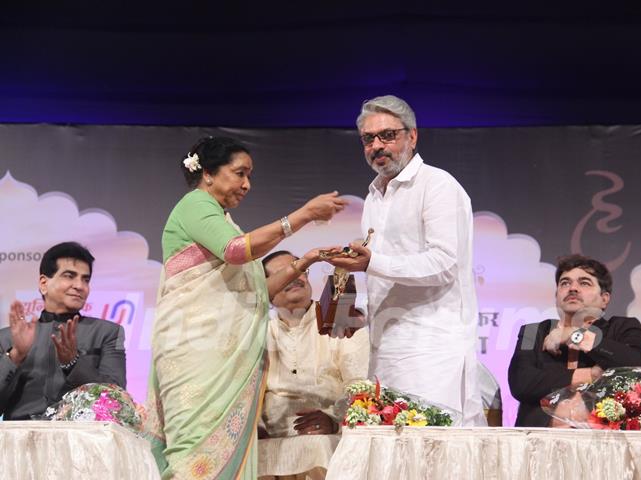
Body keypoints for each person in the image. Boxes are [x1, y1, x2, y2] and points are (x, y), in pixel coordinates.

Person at [145, 136, 346, 480]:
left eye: (249, 175)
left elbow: (257, 294)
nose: (246, 184)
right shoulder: (195, 205)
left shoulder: (223, 220)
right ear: (208, 173)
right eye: (239, 173)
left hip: (219, 359)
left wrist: (304, 262)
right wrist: (304, 215)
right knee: (194, 453)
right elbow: (237, 250)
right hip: (198, 353)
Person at [326, 95, 486, 425]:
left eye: (388, 135)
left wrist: (372, 262)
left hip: (431, 351)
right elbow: (387, 278)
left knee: (433, 457)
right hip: (385, 349)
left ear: (412, 136)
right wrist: (357, 314)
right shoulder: (374, 196)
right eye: (369, 139)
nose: (377, 146)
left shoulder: (437, 185)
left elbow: (444, 264)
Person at [258, 251, 369, 480]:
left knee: (317, 446)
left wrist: (333, 420)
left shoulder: (341, 323)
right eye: (283, 274)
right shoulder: (259, 336)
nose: (295, 276)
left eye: (299, 268)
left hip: (328, 437)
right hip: (272, 439)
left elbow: (360, 387)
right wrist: (255, 429)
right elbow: (245, 395)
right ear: (267, 291)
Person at [508, 254, 641, 427]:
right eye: (565, 283)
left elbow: (640, 369)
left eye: (584, 283)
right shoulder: (532, 332)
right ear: (556, 295)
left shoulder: (623, 327)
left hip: (604, 443)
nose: (573, 288)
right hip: (539, 441)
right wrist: (591, 375)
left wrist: (575, 335)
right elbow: (521, 382)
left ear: (604, 299)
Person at [0, 242, 126, 420]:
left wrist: (73, 363)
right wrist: (16, 356)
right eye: (69, 276)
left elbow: (117, 400)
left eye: (86, 279)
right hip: (18, 441)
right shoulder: (6, 338)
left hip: (81, 441)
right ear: (44, 283)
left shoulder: (107, 333)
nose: (80, 286)